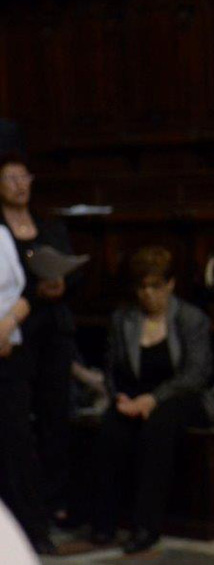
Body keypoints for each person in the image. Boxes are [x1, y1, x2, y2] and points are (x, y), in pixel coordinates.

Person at [93, 245, 213, 555]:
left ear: (170, 284)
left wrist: (152, 399)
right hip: (134, 397)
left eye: (155, 286)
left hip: (179, 397)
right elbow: (112, 368)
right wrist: (120, 397)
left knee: (158, 428)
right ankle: (104, 522)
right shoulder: (123, 319)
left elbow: (196, 373)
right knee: (111, 428)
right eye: (142, 287)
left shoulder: (190, 318)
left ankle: (147, 526)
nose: (148, 294)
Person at [0, 154, 76, 525]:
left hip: (52, 328)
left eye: (24, 177)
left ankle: (55, 499)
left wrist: (61, 283)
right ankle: (26, 510)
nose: (20, 185)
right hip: (18, 333)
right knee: (17, 422)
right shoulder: (1, 232)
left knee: (55, 413)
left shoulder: (49, 226)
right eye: (11, 178)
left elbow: (70, 267)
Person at [0, 221, 56, 554]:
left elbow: (25, 290)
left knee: (17, 442)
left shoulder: (3, 234)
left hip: (12, 350)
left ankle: (33, 530)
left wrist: (8, 325)